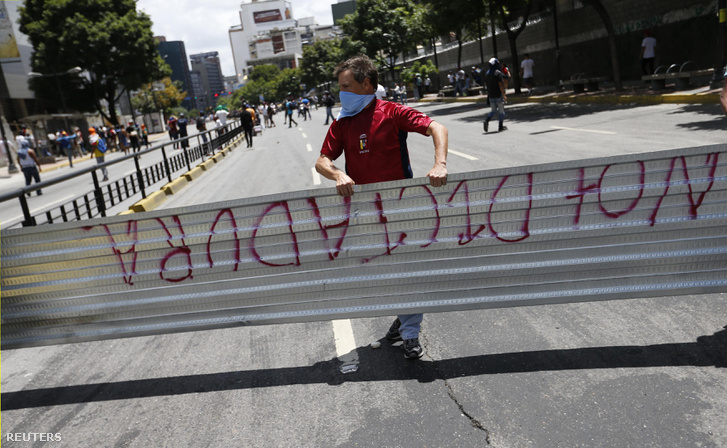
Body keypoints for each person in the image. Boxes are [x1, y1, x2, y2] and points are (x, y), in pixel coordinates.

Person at [315, 54, 448, 360]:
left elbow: (437, 128)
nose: (342, 93)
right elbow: (322, 160)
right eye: (340, 87)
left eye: (347, 86)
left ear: (366, 84)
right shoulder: (343, 121)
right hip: (365, 212)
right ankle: (403, 319)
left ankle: (411, 333)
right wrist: (338, 173)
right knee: (382, 272)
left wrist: (439, 164)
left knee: (403, 269)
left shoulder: (391, 112)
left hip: (400, 207)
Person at [484, 57, 508, 133]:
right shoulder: (497, 72)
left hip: (491, 95)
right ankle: (500, 126)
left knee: (493, 110)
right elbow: (500, 84)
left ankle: (487, 120)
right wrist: (504, 95)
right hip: (498, 95)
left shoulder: (487, 73)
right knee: (501, 111)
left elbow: (486, 84)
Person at [17, 131, 42, 196]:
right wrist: (39, 166)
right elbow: (35, 159)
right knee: (37, 180)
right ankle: (38, 191)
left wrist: (21, 167)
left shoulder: (19, 152)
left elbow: (18, 160)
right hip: (32, 167)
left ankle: (28, 191)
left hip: (25, 167)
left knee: (28, 180)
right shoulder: (30, 151)